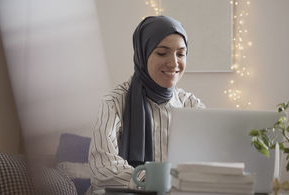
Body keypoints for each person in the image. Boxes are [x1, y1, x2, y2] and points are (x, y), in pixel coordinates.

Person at [87, 15, 205, 194]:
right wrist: (154, 181)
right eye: (162, 52)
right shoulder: (114, 103)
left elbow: (209, 160)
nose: (174, 63)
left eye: (181, 54)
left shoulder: (191, 105)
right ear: (143, 53)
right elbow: (103, 169)